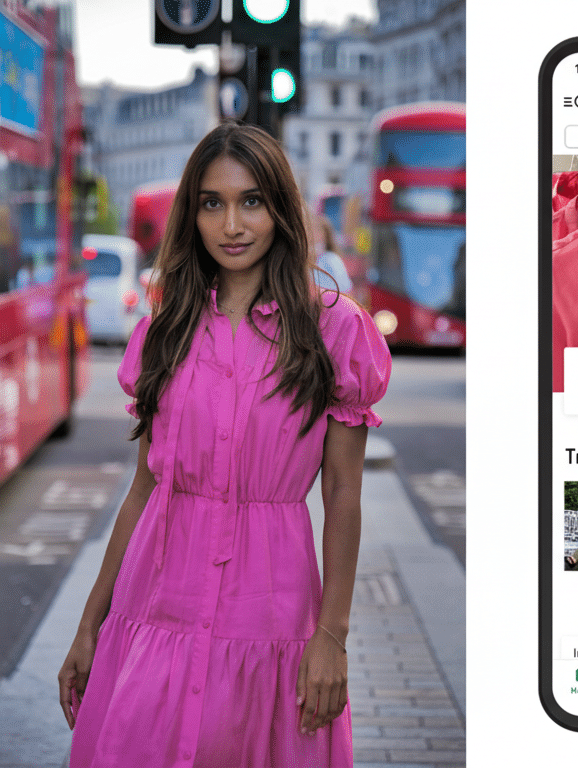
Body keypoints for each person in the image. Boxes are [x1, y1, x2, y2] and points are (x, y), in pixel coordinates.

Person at [58, 121, 391, 766]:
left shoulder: (333, 330)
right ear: (193, 213)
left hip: (271, 616)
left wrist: (332, 636)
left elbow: (343, 495)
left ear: (280, 209)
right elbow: (144, 488)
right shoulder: (166, 329)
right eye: (213, 203)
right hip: (154, 605)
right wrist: (90, 624)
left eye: (251, 202)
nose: (231, 225)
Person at [311, 214, 353, 296]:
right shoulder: (306, 259)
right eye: (310, 229)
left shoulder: (331, 259)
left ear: (325, 234)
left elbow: (346, 289)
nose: (312, 233)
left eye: (317, 230)